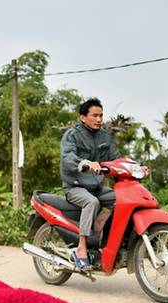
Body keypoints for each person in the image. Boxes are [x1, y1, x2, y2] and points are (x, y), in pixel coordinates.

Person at [60, 97, 121, 271]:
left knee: (120, 199)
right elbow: (68, 158)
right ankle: (81, 248)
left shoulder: (104, 136)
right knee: (91, 202)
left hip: (97, 187)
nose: (99, 119)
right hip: (75, 187)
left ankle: (104, 236)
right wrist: (85, 163)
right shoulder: (72, 135)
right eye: (94, 115)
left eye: (101, 116)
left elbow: (116, 157)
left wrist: (134, 166)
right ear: (83, 117)